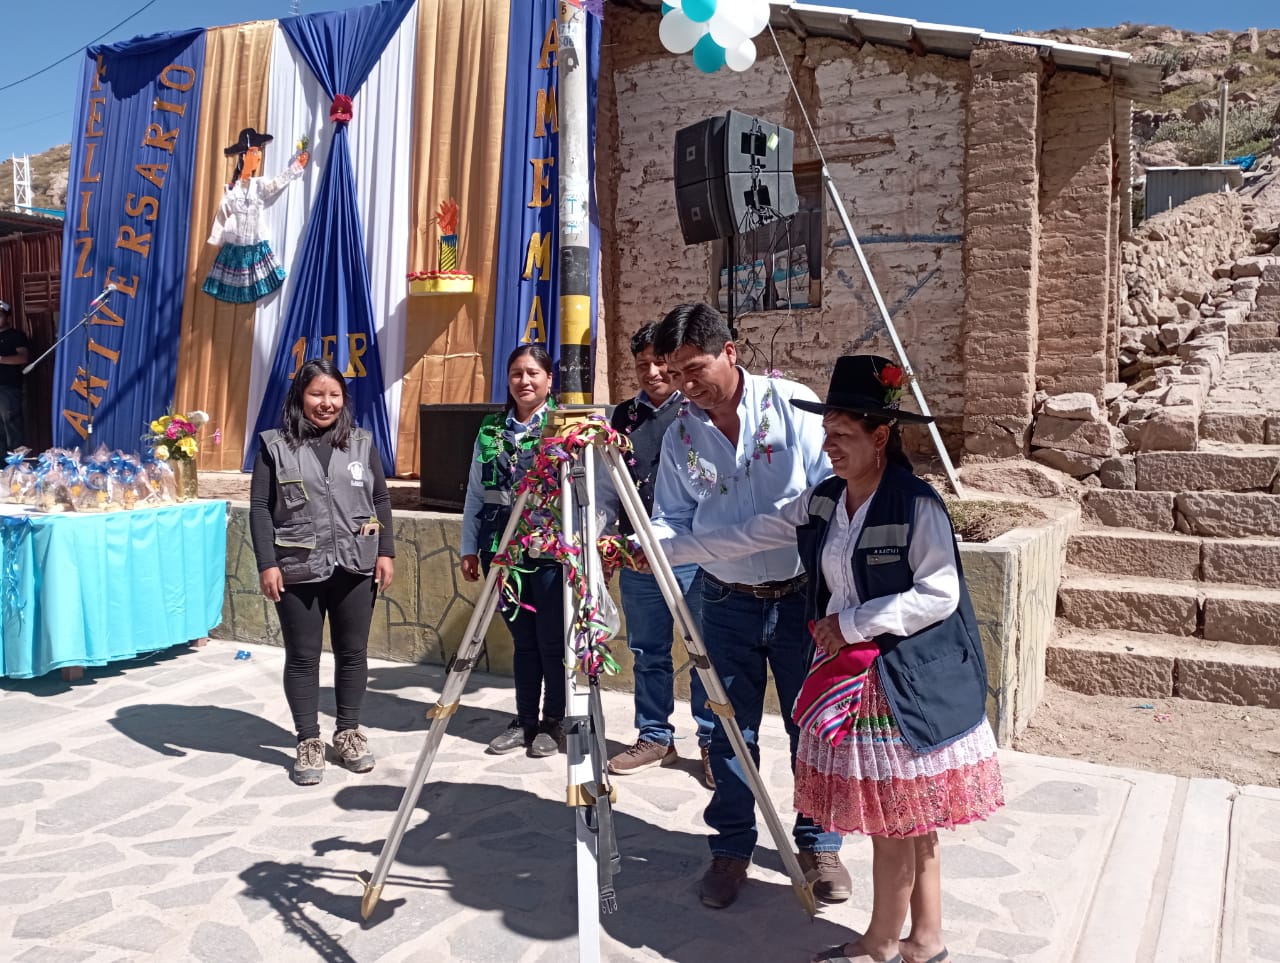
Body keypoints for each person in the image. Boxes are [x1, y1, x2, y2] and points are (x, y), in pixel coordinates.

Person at [658, 355, 1003, 963]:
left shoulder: (915, 504)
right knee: (909, 816)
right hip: (866, 676)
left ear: (880, 436)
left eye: (843, 436)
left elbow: (940, 592)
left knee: (896, 822)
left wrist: (849, 624)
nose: (831, 447)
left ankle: (879, 946)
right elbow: (748, 534)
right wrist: (663, 551)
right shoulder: (824, 502)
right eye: (827, 434)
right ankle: (925, 941)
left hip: (904, 682)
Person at [648, 303, 850, 910]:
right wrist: (648, 545)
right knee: (727, 729)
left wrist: (697, 543)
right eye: (676, 373)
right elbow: (668, 517)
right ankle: (731, 848)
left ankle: (819, 843)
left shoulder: (793, 407)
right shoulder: (683, 432)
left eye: (695, 367)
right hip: (723, 601)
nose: (688, 384)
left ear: (730, 351)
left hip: (799, 601)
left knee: (811, 725)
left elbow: (820, 505)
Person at [250, 358, 395, 786]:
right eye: (316, 394)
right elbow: (260, 507)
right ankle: (308, 739)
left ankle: (348, 732)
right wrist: (267, 563)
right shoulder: (274, 445)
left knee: (353, 653)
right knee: (303, 657)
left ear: (344, 400)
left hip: (355, 561)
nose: (325, 403)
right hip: (297, 566)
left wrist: (384, 551)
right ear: (300, 396)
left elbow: (381, 498)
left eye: (334, 395)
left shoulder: (361, 442)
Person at [596, 323, 714, 785]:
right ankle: (654, 735)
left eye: (658, 362)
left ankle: (712, 740)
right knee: (648, 650)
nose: (650, 372)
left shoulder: (699, 412)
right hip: (638, 558)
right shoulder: (621, 417)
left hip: (694, 556)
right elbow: (607, 490)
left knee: (704, 651)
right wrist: (605, 544)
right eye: (641, 364)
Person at [459, 345, 564, 758]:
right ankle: (525, 719)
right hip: (502, 553)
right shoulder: (490, 429)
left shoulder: (562, 425)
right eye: (517, 373)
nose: (525, 381)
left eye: (534, 373)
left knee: (552, 642)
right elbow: (474, 493)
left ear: (549, 379)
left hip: (551, 553)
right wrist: (469, 547)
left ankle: (553, 722)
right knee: (523, 642)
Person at [203, 126, 309, 304]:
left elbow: (275, 185)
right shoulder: (231, 189)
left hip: (254, 241)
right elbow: (222, 214)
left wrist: (295, 167)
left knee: (259, 276)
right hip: (234, 243)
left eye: (258, 154)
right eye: (254, 153)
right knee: (232, 278)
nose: (257, 157)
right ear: (243, 156)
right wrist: (217, 239)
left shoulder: (258, 186)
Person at [0, 300, 30, 453]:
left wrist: (1, 359)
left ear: (7, 317)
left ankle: (17, 464)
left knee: (11, 425)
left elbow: (23, 358)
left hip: (8, 388)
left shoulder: (16, 335)